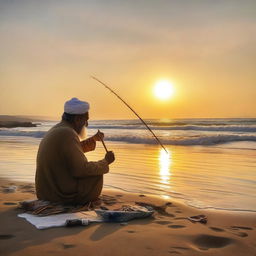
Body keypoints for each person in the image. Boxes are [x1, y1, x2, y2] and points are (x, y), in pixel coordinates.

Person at [35, 97, 115, 205]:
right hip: (58, 195)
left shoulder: (59, 129)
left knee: (95, 169)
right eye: (85, 121)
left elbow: (69, 152)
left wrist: (93, 139)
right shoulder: (68, 133)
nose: (86, 125)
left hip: (45, 192)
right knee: (96, 174)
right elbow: (81, 170)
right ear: (78, 119)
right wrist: (105, 162)